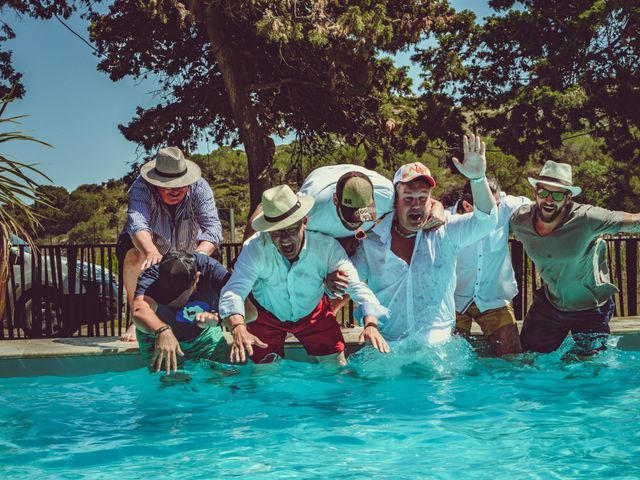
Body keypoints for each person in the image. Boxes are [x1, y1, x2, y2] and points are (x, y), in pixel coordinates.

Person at [218, 184, 390, 365]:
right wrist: (238, 326)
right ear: (267, 231)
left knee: (337, 369)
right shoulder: (255, 248)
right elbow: (234, 291)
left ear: (304, 222)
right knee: (265, 378)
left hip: (313, 315)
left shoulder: (327, 247)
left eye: (291, 229)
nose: (284, 238)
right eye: (276, 232)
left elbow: (356, 286)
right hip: (266, 316)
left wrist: (370, 324)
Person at [352, 135, 498, 344]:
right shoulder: (372, 239)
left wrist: (477, 180)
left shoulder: (446, 230)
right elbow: (354, 282)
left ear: (431, 199)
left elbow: (487, 222)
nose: (416, 205)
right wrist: (370, 322)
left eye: (422, 198)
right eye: (408, 198)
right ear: (395, 200)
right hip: (388, 346)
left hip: (438, 347)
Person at [510, 160, 640, 354]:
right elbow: (487, 222)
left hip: (591, 309)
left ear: (568, 197)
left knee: (590, 368)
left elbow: (634, 222)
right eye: (544, 193)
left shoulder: (586, 218)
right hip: (549, 306)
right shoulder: (521, 220)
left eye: (557, 195)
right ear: (535, 192)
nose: (548, 200)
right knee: (528, 359)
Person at [117, 147, 223, 342]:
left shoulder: (200, 187)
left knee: (212, 257)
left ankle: (214, 315)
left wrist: (196, 259)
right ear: (155, 182)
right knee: (133, 255)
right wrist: (150, 251)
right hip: (154, 251)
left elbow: (213, 228)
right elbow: (136, 223)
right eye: (168, 185)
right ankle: (137, 320)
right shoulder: (140, 187)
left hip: (190, 252)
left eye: (180, 184)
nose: (175, 190)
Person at [447, 178, 531, 355]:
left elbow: (535, 208)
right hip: (453, 301)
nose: (496, 211)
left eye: (497, 204)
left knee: (513, 358)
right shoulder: (447, 220)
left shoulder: (504, 206)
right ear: (468, 206)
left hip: (494, 299)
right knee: (451, 359)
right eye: (490, 208)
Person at [131, 251, 231, 374]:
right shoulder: (151, 276)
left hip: (202, 333)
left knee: (223, 375)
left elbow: (242, 306)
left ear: (197, 277)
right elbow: (139, 311)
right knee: (173, 384)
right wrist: (162, 330)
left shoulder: (211, 270)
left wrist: (218, 318)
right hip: (156, 334)